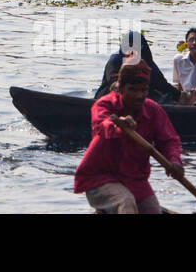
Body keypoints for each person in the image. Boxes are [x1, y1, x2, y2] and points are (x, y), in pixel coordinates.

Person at [74, 60, 185, 214]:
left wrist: (174, 160)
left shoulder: (153, 110)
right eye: (133, 90)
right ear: (120, 89)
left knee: (153, 210)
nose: (139, 95)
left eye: (144, 90)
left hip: (135, 180)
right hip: (99, 179)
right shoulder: (104, 105)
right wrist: (120, 126)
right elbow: (103, 125)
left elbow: (169, 141)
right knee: (126, 202)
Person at [94, 30, 178, 105]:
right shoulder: (115, 60)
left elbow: (163, 86)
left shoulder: (147, 63)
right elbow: (114, 84)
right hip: (112, 96)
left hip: (141, 97)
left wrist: (183, 96)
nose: (132, 51)